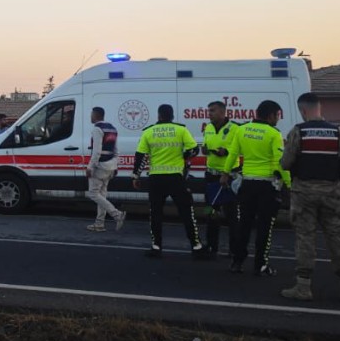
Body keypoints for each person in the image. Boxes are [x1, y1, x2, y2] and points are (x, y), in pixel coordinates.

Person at [278, 93, 340, 302]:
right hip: (333, 193)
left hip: (304, 193)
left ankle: (303, 286)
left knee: (305, 238)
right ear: (320, 107)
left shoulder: (299, 132)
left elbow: (285, 163)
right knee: (336, 237)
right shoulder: (337, 131)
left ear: (303, 110)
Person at [222, 100, 287, 276]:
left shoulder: (242, 129)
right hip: (267, 186)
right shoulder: (274, 133)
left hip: (247, 184)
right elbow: (279, 162)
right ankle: (261, 265)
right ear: (271, 115)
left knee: (244, 224)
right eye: (278, 116)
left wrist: (225, 173)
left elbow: (233, 153)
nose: (278, 120)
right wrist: (288, 184)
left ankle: (237, 261)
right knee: (265, 226)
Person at [133, 104, 206, 258]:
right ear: (172, 116)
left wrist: (136, 176)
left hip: (156, 179)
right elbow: (194, 149)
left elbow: (140, 156)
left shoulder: (148, 132)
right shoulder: (181, 130)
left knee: (155, 213)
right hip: (176, 178)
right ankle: (196, 246)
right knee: (186, 212)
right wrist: (185, 157)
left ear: (159, 116)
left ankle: (156, 246)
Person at [200, 100, 241, 256]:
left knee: (231, 215)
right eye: (208, 110)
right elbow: (206, 146)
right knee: (210, 211)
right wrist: (205, 149)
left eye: (212, 111)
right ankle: (211, 246)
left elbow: (240, 149)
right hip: (211, 176)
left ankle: (234, 249)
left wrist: (227, 151)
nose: (209, 113)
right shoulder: (208, 127)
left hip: (229, 177)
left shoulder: (235, 128)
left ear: (223, 112)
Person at [84, 106, 126, 232]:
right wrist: (116, 165)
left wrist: (90, 166)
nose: (90, 116)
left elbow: (96, 152)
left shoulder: (97, 129)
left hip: (100, 166)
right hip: (110, 165)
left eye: (91, 114)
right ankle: (99, 223)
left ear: (96, 115)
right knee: (102, 195)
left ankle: (117, 214)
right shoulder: (112, 128)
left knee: (93, 193)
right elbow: (116, 150)